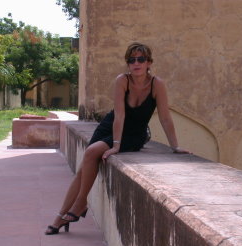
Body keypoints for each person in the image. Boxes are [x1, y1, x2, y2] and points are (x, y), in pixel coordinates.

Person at [45, 42, 191, 235]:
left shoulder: (157, 84)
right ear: (128, 63)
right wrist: (115, 145)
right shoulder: (123, 80)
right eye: (131, 60)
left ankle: (79, 204)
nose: (136, 63)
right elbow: (119, 115)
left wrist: (175, 146)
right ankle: (62, 215)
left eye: (141, 59)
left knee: (91, 153)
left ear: (149, 62)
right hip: (112, 126)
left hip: (134, 134)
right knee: (84, 168)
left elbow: (165, 117)